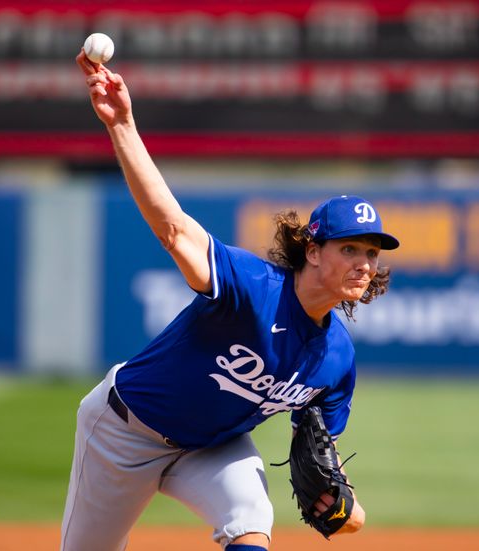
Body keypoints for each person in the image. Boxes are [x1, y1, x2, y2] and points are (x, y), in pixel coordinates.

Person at [61, 49, 400, 551]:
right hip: (124, 433)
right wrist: (123, 126)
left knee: (250, 516)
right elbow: (174, 230)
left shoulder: (337, 357)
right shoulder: (252, 287)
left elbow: (318, 451)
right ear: (312, 249)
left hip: (212, 449)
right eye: (349, 248)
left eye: (371, 253)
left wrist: (348, 506)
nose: (364, 263)